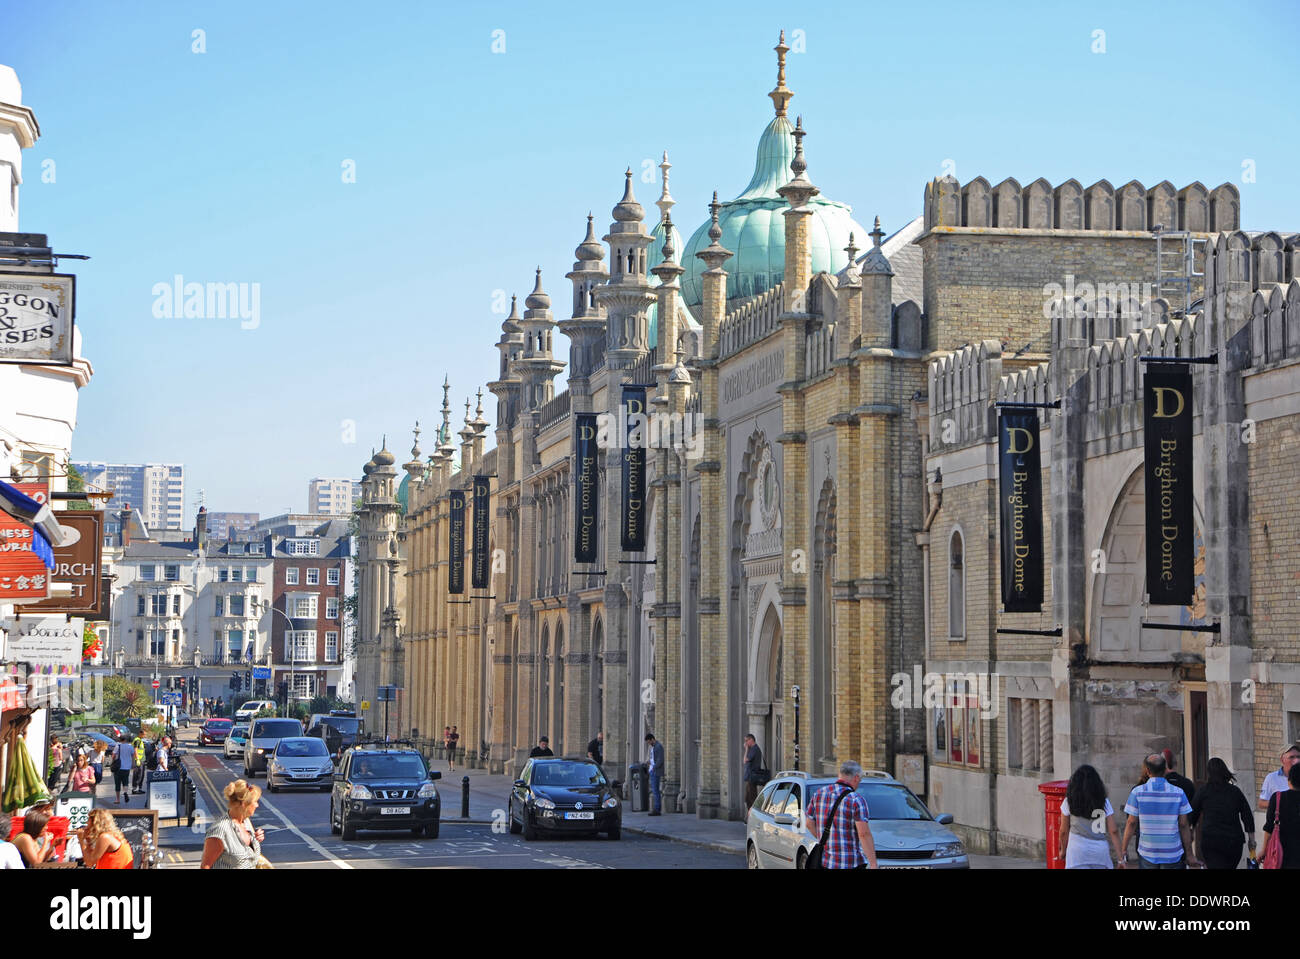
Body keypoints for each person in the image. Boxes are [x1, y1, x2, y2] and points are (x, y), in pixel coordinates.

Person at [1121, 753, 1200, 869]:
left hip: (1147, 851)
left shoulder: (1137, 792)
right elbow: (1184, 824)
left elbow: (1131, 822)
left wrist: (1123, 850)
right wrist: (1189, 854)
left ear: (1147, 771)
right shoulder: (1179, 793)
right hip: (1173, 852)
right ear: (1165, 770)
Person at [804, 760, 879, 869]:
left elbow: (809, 824)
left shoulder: (819, 794)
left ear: (840, 774)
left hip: (826, 862)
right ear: (856, 778)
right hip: (850, 863)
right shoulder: (856, 799)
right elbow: (864, 834)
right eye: (860, 780)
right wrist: (873, 864)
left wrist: (827, 840)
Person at [1190, 757, 1255, 869]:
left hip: (1211, 840)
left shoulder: (1203, 791)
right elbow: (1247, 815)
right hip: (1233, 841)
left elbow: (1192, 815)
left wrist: (1191, 833)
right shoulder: (1235, 792)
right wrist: (1251, 839)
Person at [1058, 764, 1123, 868]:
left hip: (1077, 851)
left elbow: (1063, 831)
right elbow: (1113, 831)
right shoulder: (1104, 802)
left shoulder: (1068, 802)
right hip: (1099, 851)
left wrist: (1063, 850)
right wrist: (1121, 859)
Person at [201, 779, 266, 869]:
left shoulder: (246, 822)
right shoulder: (219, 831)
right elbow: (205, 866)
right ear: (244, 804)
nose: (257, 805)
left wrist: (255, 839)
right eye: (254, 802)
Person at [1263, 761, 1300, 868]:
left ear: (1289, 780)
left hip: (1281, 853)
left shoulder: (1278, 797)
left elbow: (1269, 827)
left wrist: (1264, 850)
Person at [1259, 743, 1300, 811]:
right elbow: (1261, 803)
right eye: (1291, 757)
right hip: (1282, 820)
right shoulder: (1272, 778)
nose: (1296, 761)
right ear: (1282, 760)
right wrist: (1280, 802)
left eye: (1298, 757)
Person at [742, 734, 764, 811]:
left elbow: (745, 760)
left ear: (751, 740)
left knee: (752, 797)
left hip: (752, 776)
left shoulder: (754, 749)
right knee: (748, 798)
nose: (745, 743)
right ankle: (749, 815)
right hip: (750, 777)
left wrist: (746, 749)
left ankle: (753, 814)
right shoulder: (753, 749)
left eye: (746, 740)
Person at [112, 734, 135, 805]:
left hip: (118, 767)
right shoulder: (130, 747)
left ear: (120, 740)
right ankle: (125, 792)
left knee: (117, 783)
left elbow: (113, 755)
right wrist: (133, 764)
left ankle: (117, 799)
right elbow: (133, 756)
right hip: (127, 767)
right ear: (126, 739)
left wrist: (113, 761)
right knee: (125, 781)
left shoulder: (118, 746)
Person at [644, 733, 664, 815]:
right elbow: (654, 759)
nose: (649, 743)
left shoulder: (658, 747)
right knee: (654, 790)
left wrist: (654, 768)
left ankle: (657, 809)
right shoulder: (654, 747)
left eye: (649, 742)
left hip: (655, 771)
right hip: (652, 770)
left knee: (655, 791)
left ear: (652, 739)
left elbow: (660, 760)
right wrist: (649, 762)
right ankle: (656, 808)